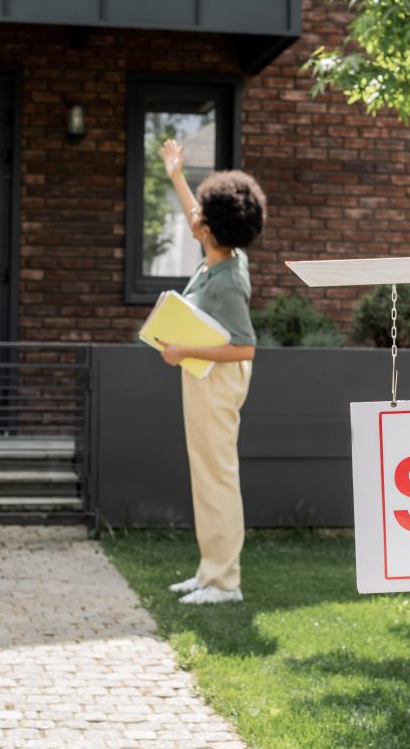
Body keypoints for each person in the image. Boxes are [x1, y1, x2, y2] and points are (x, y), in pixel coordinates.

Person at [157, 138, 266, 605]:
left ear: (211, 229)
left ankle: (225, 582)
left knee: (217, 476)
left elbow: (245, 349)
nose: (194, 214)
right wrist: (176, 175)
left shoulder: (227, 282)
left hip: (217, 381)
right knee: (207, 475)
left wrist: (183, 348)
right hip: (204, 376)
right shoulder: (222, 255)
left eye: (202, 211)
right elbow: (195, 219)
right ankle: (209, 571)